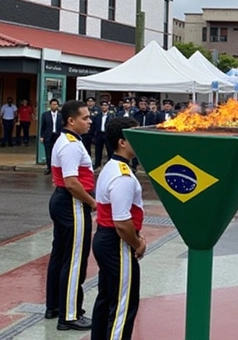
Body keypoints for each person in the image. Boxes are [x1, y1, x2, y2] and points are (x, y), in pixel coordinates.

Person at [91, 117, 145, 340]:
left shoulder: (111, 167)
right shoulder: (122, 176)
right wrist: (138, 243)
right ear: (122, 142)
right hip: (117, 242)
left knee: (107, 298)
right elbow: (122, 223)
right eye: (134, 136)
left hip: (107, 240)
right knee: (123, 305)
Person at [45, 100, 94, 331]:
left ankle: (55, 305)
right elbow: (72, 183)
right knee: (75, 259)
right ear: (71, 121)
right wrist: (93, 203)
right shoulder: (71, 145)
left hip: (63, 201)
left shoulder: (67, 141)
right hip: (72, 203)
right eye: (85, 118)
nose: (89, 121)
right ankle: (71, 314)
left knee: (60, 255)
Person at [40, 99, 63, 175]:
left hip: (58, 136)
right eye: (53, 104)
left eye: (56, 104)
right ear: (50, 105)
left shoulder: (61, 114)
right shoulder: (45, 115)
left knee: (58, 153)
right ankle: (49, 167)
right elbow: (43, 126)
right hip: (48, 136)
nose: (54, 106)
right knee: (48, 152)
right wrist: (42, 136)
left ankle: (57, 168)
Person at [93, 101, 115, 169]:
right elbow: (94, 125)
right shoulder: (98, 115)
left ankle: (110, 164)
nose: (103, 107)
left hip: (107, 134)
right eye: (102, 105)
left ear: (108, 106)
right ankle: (97, 163)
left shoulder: (111, 115)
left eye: (105, 105)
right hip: (99, 134)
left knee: (110, 150)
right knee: (98, 150)